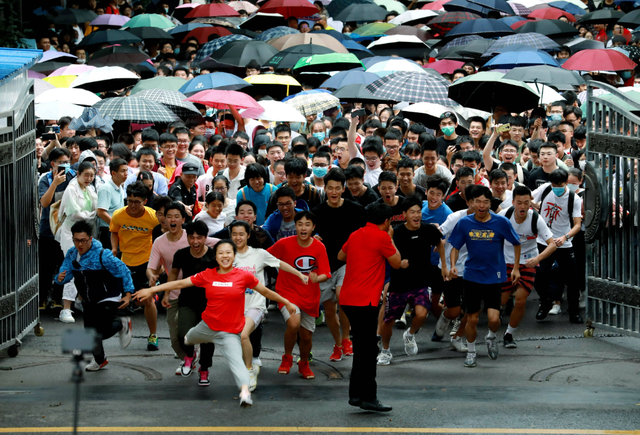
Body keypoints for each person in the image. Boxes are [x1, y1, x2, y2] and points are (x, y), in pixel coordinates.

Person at [134, 239, 298, 408]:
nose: (225, 256)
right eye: (221, 253)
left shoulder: (243, 276)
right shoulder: (208, 274)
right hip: (206, 327)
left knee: (237, 364)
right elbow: (181, 282)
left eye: (228, 252)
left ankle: (245, 393)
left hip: (229, 332)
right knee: (188, 338)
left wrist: (286, 302)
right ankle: (192, 346)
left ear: (234, 256)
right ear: (216, 256)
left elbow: (265, 291)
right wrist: (152, 289)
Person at [338, 202, 402, 412]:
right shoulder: (382, 237)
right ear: (387, 221)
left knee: (362, 348)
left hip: (348, 298)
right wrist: (390, 237)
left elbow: (341, 256)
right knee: (367, 350)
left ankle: (356, 395)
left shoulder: (356, 234)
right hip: (365, 300)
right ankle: (368, 397)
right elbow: (396, 262)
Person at [230, 220, 308, 391]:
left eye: (241, 234)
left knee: (244, 335)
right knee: (239, 340)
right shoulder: (226, 255)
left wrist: (299, 274)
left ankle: (249, 371)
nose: (238, 237)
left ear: (248, 235)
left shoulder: (259, 254)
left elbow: (280, 264)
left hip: (256, 305)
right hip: (234, 307)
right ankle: (249, 365)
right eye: (234, 234)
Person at [448, 185, 521, 368]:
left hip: (494, 276)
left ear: (490, 203)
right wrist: (452, 266)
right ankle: (471, 352)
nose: (482, 205)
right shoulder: (465, 223)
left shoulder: (500, 222)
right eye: (478, 201)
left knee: (494, 320)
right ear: (471, 203)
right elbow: (455, 246)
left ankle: (491, 337)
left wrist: (516, 268)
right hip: (472, 276)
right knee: (471, 318)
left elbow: (516, 243)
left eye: (486, 202)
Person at [378, 195, 445, 365]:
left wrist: (444, 265)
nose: (416, 216)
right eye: (412, 212)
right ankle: (385, 350)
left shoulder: (428, 229)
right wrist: (399, 263)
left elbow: (440, 242)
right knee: (388, 321)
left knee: (422, 314)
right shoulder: (396, 232)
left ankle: (410, 334)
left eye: (418, 212)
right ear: (404, 214)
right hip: (399, 284)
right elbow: (386, 251)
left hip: (421, 282)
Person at [267, 211, 331, 380]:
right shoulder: (283, 243)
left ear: (313, 227)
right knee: (293, 323)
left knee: (306, 335)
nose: (303, 228)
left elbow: (326, 273)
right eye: (300, 224)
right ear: (295, 226)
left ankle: (304, 363)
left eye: (307, 224)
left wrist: (318, 278)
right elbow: (265, 257)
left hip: (310, 296)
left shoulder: (319, 247)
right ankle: (287, 358)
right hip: (287, 292)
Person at [311, 169, 366, 361]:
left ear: (343, 189)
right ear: (324, 189)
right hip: (325, 265)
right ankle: (338, 343)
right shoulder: (316, 213)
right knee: (329, 308)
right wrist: (313, 238)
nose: (334, 192)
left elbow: (363, 237)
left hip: (347, 263)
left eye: (337, 188)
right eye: (330, 188)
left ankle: (346, 339)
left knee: (343, 299)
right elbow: (308, 237)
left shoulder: (356, 210)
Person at [499, 185, 557, 348]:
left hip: (528, 262)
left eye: (526, 202)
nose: (523, 206)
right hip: (506, 261)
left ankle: (509, 334)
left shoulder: (535, 218)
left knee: (521, 300)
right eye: (519, 203)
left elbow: (552, 245)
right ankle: (497, 319)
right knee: (501, 300)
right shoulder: (504, 215)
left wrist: (537, 258)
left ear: (530, 202)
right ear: (513, 202)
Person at [110, 181, 160, 351]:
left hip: (147, 263)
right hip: (125, 263)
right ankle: (124, 323)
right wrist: (115, 248)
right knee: (126, 300)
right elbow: (114, 231)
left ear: (145, 201)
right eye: (129, 201)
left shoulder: (153, 217)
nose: (132, 205)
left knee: (147, 300)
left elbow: (162, 237)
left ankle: (153, 335)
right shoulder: (118, 215)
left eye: (136, 202)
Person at [532, 168, 584, 324]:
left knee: (572, 280)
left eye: (559, 184)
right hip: (544, 242)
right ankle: (545, 302)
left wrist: (565, 237)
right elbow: (528, 197)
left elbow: (577, 225)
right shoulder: (546, 189)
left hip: (564, 243)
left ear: (566, 182)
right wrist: (535, 207)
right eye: (553, 183)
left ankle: (573, 312)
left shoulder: (573, 198)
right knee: (540, 276)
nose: (556, 187)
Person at [55, 161, 99, 323]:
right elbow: (74, 213)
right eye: (86, 175)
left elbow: (95, 209)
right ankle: (66, 308)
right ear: (78, 174)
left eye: (91, 175)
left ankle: (80, 301)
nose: (89, 178)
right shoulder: (71, 189)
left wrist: (91, 214)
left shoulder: (90, 189)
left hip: (85, 234)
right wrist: (92, 214)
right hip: (70, 234)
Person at [97, 159, 128, 249]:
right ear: (113, 173)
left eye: (126, 170)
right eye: (122, 171)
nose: (126, 174)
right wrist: (116, 225)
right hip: (108, 230)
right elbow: (101, 212)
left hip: (117, 230)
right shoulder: (106, 189)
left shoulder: (120, 187)